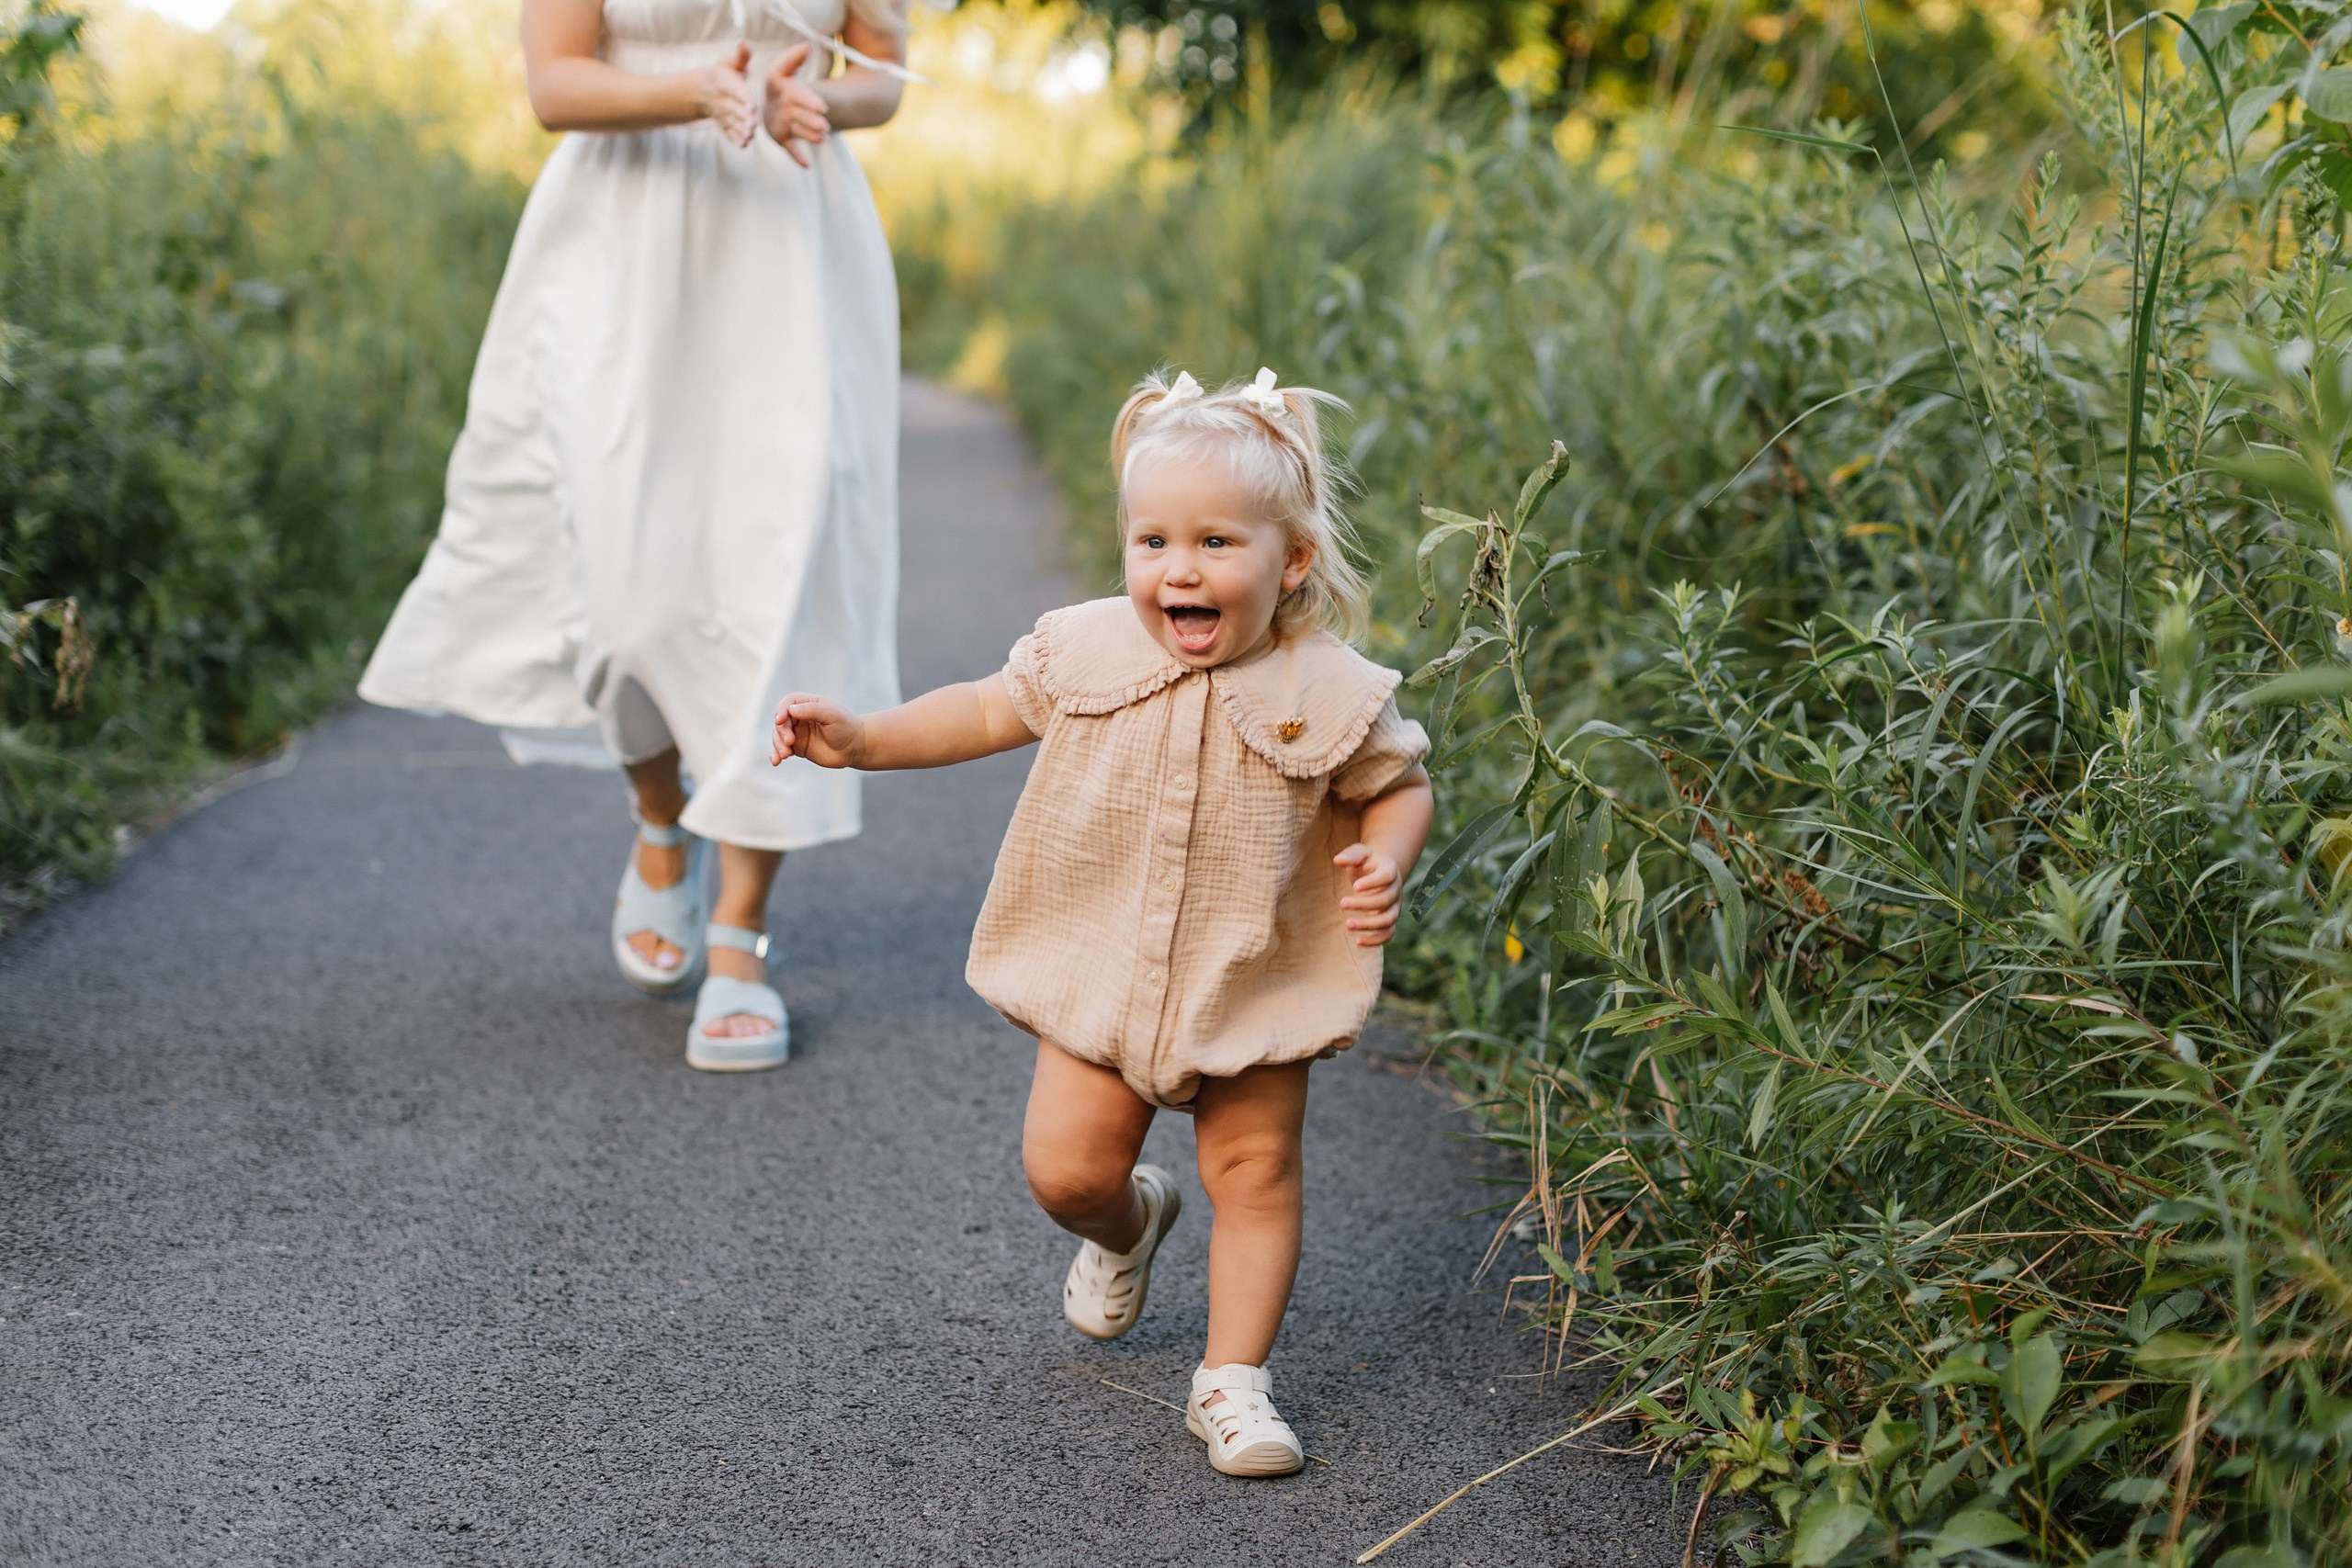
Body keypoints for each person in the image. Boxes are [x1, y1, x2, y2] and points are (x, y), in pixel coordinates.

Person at [771, 367, 1435, 1477]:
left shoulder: (1332, 683)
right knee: (1066, 1174)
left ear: (1293, 561)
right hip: (1101, 966)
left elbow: (1397, 783)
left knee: (1258, 1171)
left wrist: (1386, 853)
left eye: (1219, 543)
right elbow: (984, 708)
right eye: (1153, 542)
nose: (1180, 568)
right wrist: (866, 738)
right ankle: (1128, 1225)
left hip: (1255, 974)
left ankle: (1231, 1382)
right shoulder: (1083, 649)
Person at [357, 0, 911, 1072]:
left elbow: (883, 72)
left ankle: (739, 939)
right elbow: (555, 85)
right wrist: (696, 91)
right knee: (622, 599)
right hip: (618, 240)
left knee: (778, 576)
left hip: (791, 247)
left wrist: (823, 101)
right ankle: (663, 816)